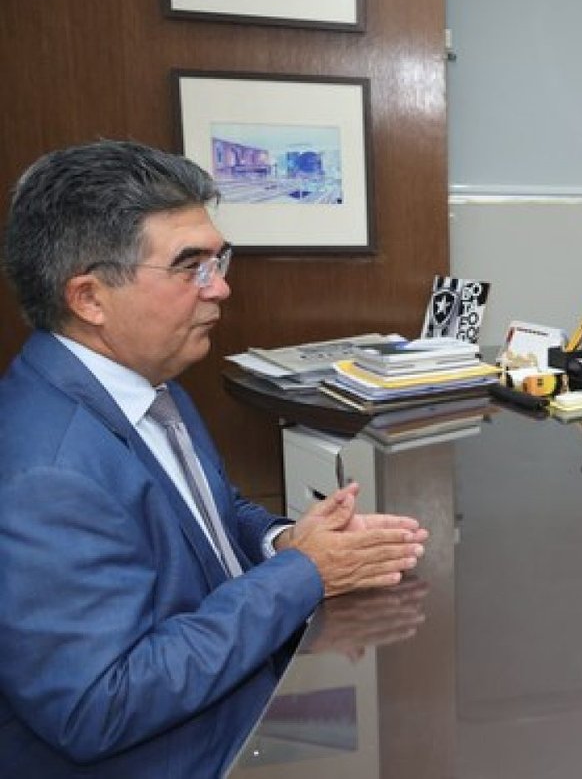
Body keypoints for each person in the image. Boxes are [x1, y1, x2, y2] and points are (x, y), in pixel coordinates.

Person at [0, 141, 431, 776]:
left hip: (234, 697)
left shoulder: (146, 380)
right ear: (89, 298)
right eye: (190, 266)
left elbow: (209, 510)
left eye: (217, 259)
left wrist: (284, 541)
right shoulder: (49, 473)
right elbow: (99, 706)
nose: (221, 287)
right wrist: (304, 574)